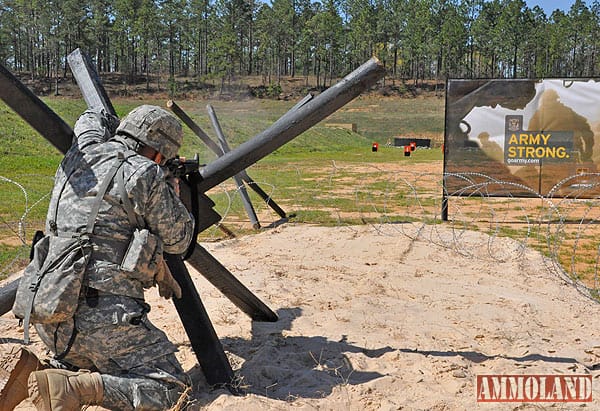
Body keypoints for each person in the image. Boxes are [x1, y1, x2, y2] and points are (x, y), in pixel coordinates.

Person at [3, 105, 195, 411]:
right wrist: (171, 191)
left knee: (94, 360)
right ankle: (78, 388)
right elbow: (179, 240)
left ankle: (32, 372)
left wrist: (110, 120)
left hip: (50, 316)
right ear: (159, 154)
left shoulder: (80, 153)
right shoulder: (145, 173)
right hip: (105, 321)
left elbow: (90, 118)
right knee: (172, 388)